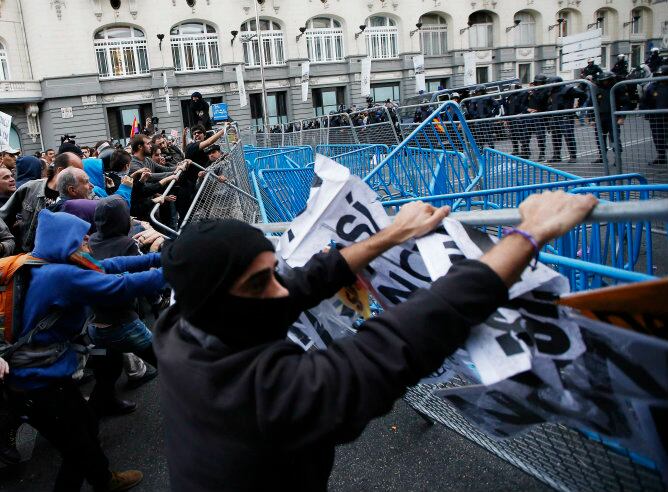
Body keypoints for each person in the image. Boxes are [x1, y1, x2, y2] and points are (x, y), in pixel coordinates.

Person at [154, 191, 598, 491]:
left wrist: (393, 234)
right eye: (258, 283)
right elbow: (397, 342)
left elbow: (305, 281)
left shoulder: (179, 325)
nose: (281, 290)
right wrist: (530, 233)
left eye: (272, 272)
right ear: (218, 303)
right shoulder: (264, 395)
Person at [3, 209, 165, 491]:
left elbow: (110, 265)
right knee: (78, 447)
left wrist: (161, 258)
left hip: (38, 377)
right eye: (81, 236)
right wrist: (175, 270)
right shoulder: (60, 276)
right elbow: (120, 285)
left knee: (85, 428)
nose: (88, 238)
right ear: (64, 241)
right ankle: (102, 481)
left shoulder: (38, 262)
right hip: (38, 383)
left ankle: (103, 479)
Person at [86, 195, 162, 415]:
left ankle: (104, 403)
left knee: (108, 371)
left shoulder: (91, 241)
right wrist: (156, 251)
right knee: (167, 362)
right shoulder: (128, 244)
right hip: (123, 323)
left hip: (95, 325)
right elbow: (143, 280)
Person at [0, 151, 83, 252]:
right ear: (61, 171)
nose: (81, 174)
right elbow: (4, 215)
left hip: (59, 256)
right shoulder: (31, 188)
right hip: (27, 256)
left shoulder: (79, 193)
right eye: (76, 171)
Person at [546, 77, 587, 163]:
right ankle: (556, 155)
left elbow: (583, 95)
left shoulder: (568, 89)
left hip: (566, 116)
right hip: (555, 116)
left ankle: (573, 156)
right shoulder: (551, 92)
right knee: (555, 137)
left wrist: (578, 106)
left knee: (568, 136)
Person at [640, 65, 668, 166]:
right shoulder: (652, 87)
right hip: (656, 116)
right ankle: (661, 156)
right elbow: (644, 101)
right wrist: (647, 112)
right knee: (658, 136)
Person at [526, 74, 550, 161]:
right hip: (530, 116)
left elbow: (540, 100)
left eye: (539, 83)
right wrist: (528, 109)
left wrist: (533, 92)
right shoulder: (531, 91)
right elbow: (524, 102)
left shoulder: (545, 91)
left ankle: (542, 153)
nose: (537, 84)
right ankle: (526, 151)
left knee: (540, 136)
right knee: (526, 135)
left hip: (540, 115)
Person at [503, 84, 530, 159]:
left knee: (522, 135)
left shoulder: (523, 94)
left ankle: (525, 150)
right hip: (511, 118)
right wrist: (506, 118)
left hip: (519, 117)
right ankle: (515, 149)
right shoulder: (510, 96)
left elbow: (523, 105)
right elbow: (507, 108)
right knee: (513, 135)